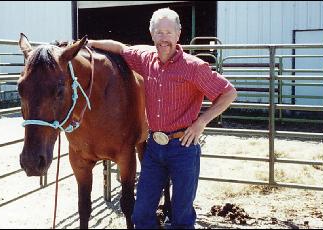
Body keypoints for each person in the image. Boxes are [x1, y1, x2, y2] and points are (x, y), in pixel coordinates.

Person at [88, 7, 237, 229]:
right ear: (152, 34)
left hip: (183, 148)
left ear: (178, 34)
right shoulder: (145, 59)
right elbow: (120, 48)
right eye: (158, 32)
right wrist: (88, 43)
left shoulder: (193, 67)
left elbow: (229, 92)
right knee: (141, 215)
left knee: (181, 217)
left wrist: (201, 122)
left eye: (168, 32)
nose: (163, 38)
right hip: (154, 150)